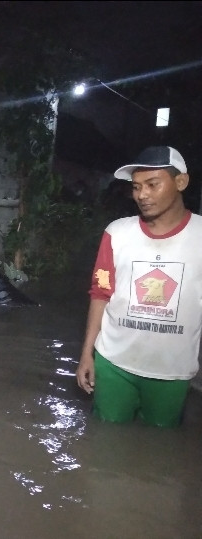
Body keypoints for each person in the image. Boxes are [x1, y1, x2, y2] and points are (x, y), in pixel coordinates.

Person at [76, 146, 202, 427]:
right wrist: (87, 353)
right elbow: (101, 291)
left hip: (172, 371)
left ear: (180, 182)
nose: (142, 195)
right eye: (136, 187)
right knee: (105, 439)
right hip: (113, 364)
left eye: (152, 185)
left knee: (160, 447)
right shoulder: (117, 233)